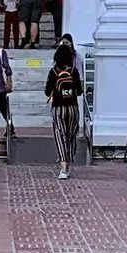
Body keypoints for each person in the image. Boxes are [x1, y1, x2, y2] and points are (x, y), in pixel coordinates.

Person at [46, 36, 85, 179]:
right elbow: (79, 91)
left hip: (58, 108)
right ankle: (68, 161)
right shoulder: (74, 71)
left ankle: (63, 167)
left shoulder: (53, 72)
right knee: (70, 135)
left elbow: (46, 91)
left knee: (59, 135)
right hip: (73, 107)